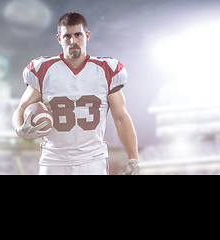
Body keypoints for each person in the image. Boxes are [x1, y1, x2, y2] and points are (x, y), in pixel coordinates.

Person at [12, 12, 139, 175]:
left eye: (78, 35)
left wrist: (133, 158)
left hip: (92, 160)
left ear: (87, 35)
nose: (73, 41)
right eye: (67, 36)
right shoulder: (43, 70)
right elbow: (21, 108)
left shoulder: (107, 70)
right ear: (59, 39)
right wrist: (18, 128)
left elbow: (121, 117)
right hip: (53, 160)